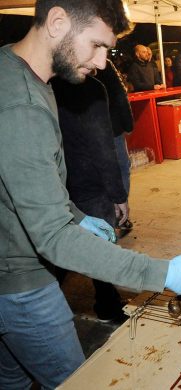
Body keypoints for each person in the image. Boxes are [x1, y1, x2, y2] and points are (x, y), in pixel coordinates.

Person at [0, 1, 181, 388]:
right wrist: (162, 273)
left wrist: (73, 212)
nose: (104, 63)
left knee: (14, 380)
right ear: (57, 21)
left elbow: (21, 180)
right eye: (97, 46)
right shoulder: (22, 103)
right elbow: (52, 238)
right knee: (78, 381)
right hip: (20, 281)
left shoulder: (15, 70)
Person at [51, 74, 130, 323]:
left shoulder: (43, 81)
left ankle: (46, 301)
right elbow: (102, 144)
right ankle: (108, 306)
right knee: (101, 246)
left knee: (58, 244)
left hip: (57, 180)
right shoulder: (90, 88)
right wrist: (118, 194)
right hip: (88, 183)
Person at [91, 59, 134, 236]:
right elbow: (119, 93)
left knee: (113, 168)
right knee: (119, 167)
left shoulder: (103, 64)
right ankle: (117, 212)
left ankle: (115, 212)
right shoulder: (104, 64)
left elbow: (119, 93)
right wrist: (128, 123)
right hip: (107, 127)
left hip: (103, 127)